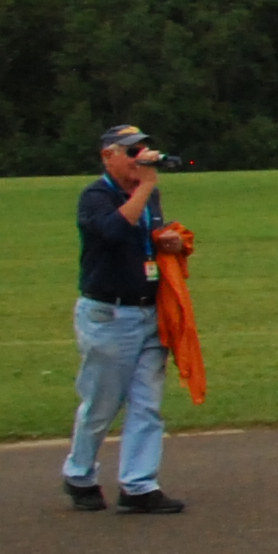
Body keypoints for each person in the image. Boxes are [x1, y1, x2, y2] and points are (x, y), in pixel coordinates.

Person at [67, 123, 187, 514]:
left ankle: (138, 484)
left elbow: (143, 234)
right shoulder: (95, 196)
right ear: (108, 155)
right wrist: (146, 187)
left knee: (147, 403)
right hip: (109, 315)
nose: (141, 158)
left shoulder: (149, 196)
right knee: (102, 404)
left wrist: (167, 242)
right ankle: (79, 473)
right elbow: (114, 231)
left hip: (150, 310)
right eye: (131, 151)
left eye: (144, 150)